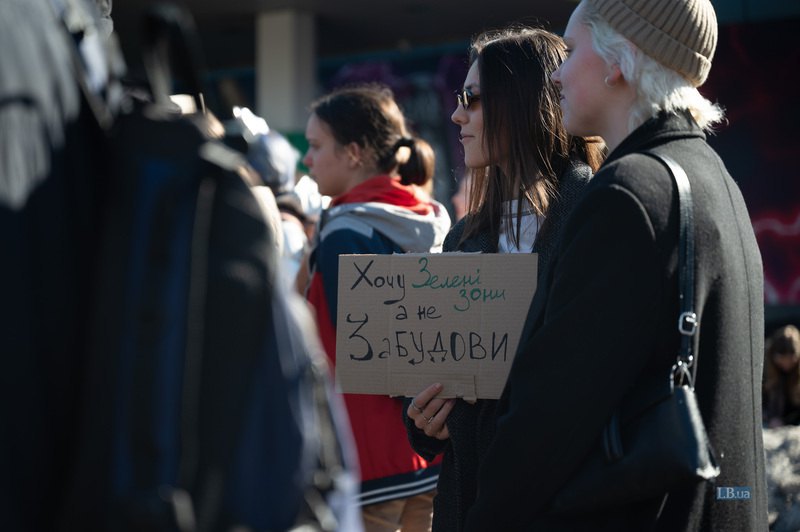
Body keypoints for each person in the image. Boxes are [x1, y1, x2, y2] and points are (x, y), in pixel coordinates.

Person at [462, 0, 768, 530]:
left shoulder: (629, 194)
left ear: (616, 62)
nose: (556, 72)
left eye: (572, 50)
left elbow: (551, 416)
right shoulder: (712, 177)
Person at [403, 27, 604, 532]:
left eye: (471, 99)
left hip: (565, 505)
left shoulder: (598, 216)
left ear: (522, 102)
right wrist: (427, 421)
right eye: (457, 99)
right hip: (470, 506)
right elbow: (443, 385)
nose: (456, 115)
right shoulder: (462, 236)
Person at [302, 84, 451, 531]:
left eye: (315, 146)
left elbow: (368, 350)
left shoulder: (345, 233)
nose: (306, 159)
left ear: (354, 152)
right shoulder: (433, 218)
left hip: (367, 462)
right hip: (431, 452)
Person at [763, 324, 800, 427]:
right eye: (782, 360)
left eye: (790, 360)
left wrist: (787, 420)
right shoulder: (766, 366)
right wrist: (770, 416)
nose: (786, 365)